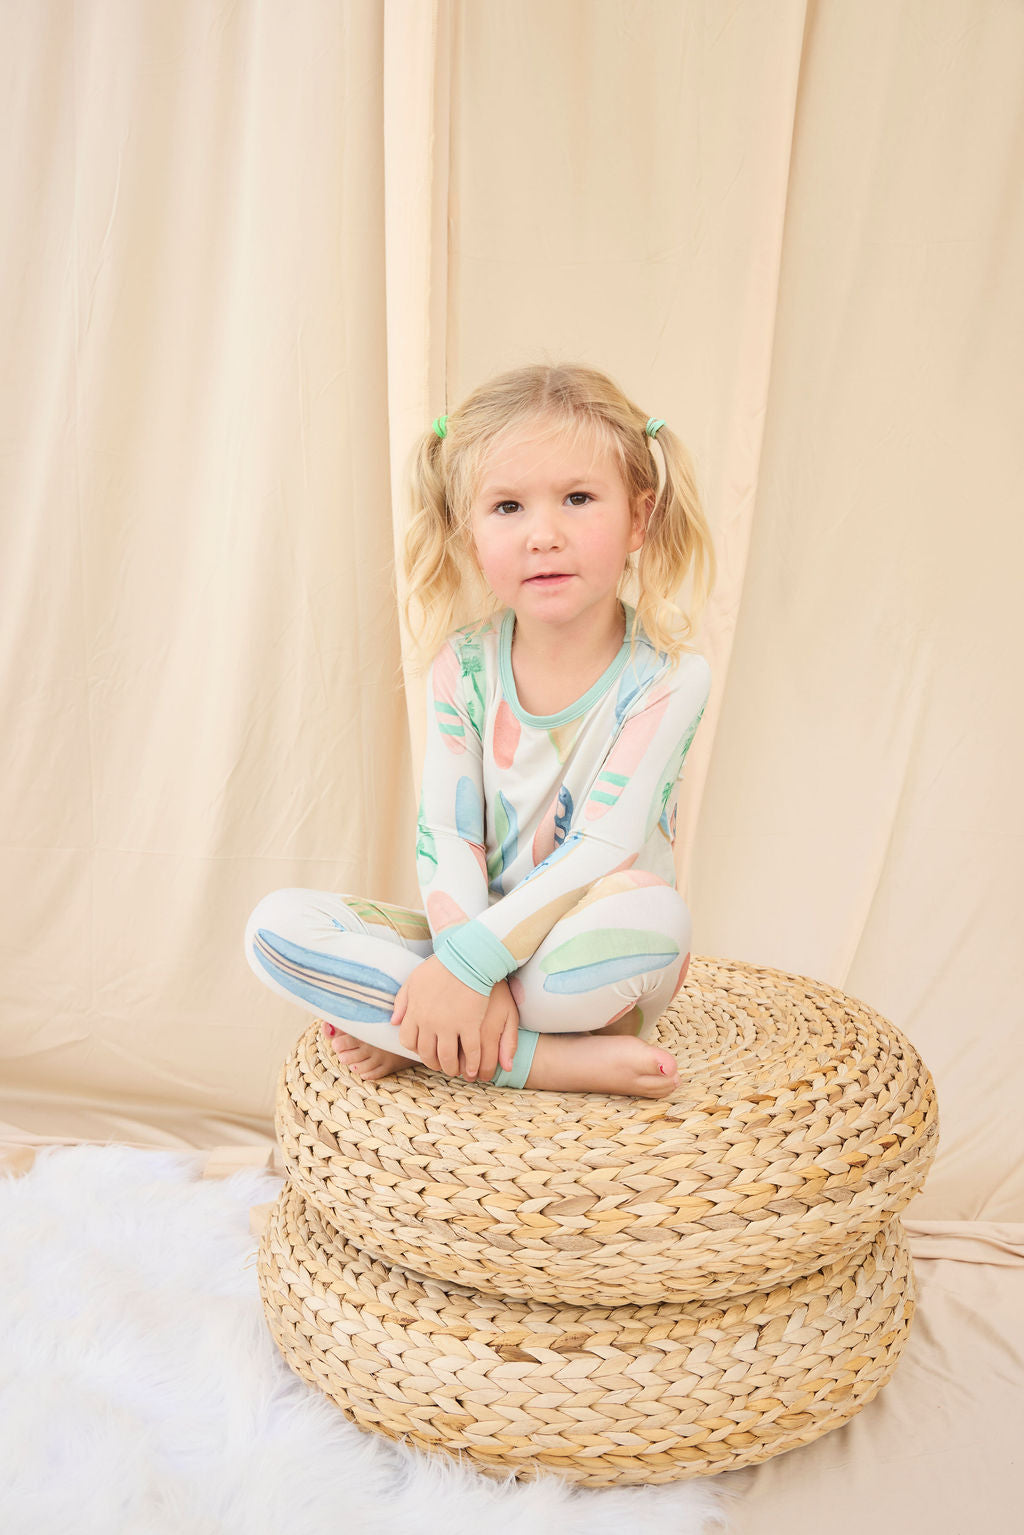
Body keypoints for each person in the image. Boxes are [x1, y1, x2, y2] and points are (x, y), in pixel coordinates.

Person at [245, 363, 715, 1098]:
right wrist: (467, 960)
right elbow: (448, 835)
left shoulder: (670, 678)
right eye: (507, 508)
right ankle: (537, 1060)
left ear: (640, 519)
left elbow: (604, 845)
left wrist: (466, 968)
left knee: (655, 919)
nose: (544, 535)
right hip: (475, 938)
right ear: (468, 536)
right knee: (274, 928)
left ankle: (425, 1032)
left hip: (574, 952)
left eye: (579, 498)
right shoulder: (460, 668)